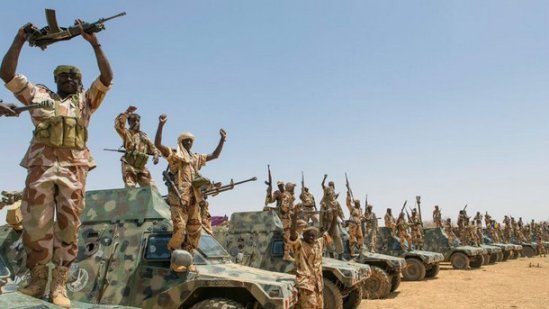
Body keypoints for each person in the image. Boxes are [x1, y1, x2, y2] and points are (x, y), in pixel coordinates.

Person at [0, 21, 112, 307]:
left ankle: (59, 285)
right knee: (35, 223)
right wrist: (19, 38)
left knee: (69, 225)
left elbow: (107, 77)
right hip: (41, 165)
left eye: (74, 77)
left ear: (80, 82)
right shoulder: (39, 96)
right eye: (63, 76)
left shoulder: (86, 102)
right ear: (56, 80)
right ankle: (38, 280)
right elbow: (8, 75)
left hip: (74, 168)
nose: (68, 80)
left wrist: (94, 43)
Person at [154, 113, 226, 272]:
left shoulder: (196, 158)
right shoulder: (176, 157)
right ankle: (175, 257)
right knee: (179, 229)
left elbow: (215, 155)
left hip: (194, 199)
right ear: (181, 142)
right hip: (179, 199)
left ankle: (187, 259)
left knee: (195, 230)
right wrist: (161, 125)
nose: (189, 143)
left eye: (190, 141)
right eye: (186, 141)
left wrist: (222, 140)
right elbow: (158, 145)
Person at [289, 211, 331, 309]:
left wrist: (334, 217)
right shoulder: (299, 245)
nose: (311, 237)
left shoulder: (318, 244)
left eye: (313, 235)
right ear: (304, 236)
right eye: (308, 235)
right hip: (306, 285)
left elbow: (330, 235)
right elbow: (292, 235)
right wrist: (294, 217)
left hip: (318, 285)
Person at [114, 105, 160, 187]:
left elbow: (153, 148)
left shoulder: (144, 136)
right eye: (133, 121)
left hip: (141, 165)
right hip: (129, 163)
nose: (136, 123)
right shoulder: (126, 133)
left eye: (138, 121)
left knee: (151, 187)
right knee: (130, 187)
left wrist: (156, 155)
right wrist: (127, 113)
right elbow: (118, 126)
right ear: (129, 123)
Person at [280, 182, 297, 261]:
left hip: (287, 218)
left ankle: (289, 253)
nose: (294, 189)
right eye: (293, 187)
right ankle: (286, 255)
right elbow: (284, 207)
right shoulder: (287, 195)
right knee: (287, 236)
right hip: (286, 218)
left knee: (288, 235)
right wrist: (290, 212)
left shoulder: (288, 195)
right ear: (290, 188)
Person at [345, 191, 363, 256]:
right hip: (352, 224)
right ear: (355, 204)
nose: (359, 204)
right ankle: (352, 252)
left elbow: (362, 216)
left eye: (359, 203)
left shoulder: (360, 209)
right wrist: (348, 196)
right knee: (352, 238)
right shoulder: (352, 208)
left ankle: (361, 251)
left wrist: (365, 218)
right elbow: (348, 203)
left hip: (358, 224)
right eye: (357, 203)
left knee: (360, 237)